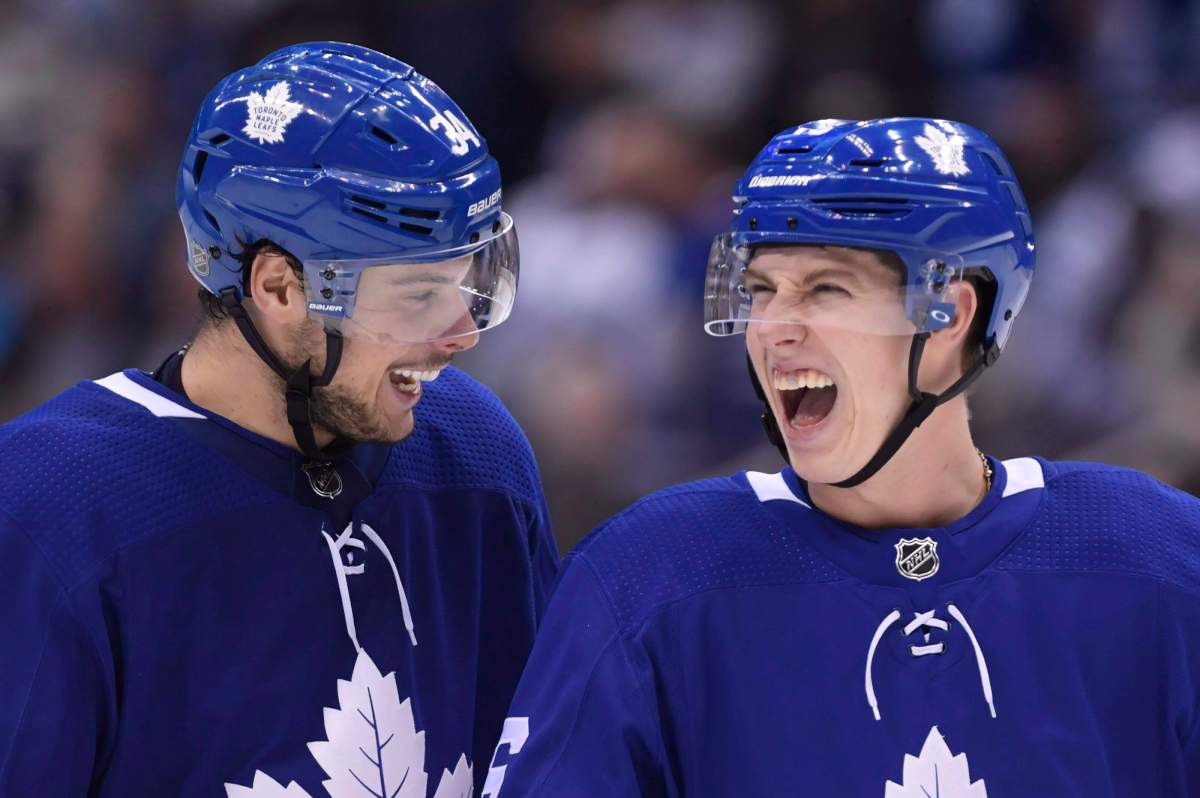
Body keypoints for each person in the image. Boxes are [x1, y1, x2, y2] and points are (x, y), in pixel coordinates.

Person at [482, 118, 1200, 796]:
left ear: (952, 315)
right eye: (762, 290)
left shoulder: (1157, 563)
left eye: (825, 288)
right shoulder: (648, 578)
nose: (773, 329)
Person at [0, 42, 558, 798]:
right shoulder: (49, 506)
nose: (461, 334)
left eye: (470, 281)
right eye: (418, 294)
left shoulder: (477, 453)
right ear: (280, 287)